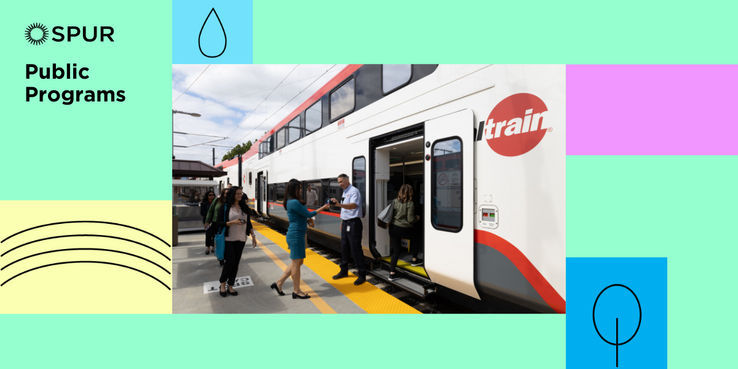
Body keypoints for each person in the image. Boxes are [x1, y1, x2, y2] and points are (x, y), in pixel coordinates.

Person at [272, 179, 331, 299]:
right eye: (299, 188)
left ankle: (279, 283)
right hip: (296, 235)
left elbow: (303, 215)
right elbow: (309, 214)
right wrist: (323, 207)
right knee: (296, 263)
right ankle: (296, 291)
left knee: (298, 262)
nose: (301, 190)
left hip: (298, 234)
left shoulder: (291, 201)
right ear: (294, 189)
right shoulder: (294, 202)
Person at [213, 186, 257, 297]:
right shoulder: (225, 207)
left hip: (241, 239)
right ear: (232, 194)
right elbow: (218, 223)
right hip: (228, 239)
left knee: (236, 263)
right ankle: (222, 283)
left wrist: (253, 236)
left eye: (241, 193)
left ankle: (231, 285)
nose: (240, 195)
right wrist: (231, 222)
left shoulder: (244, 206)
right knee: (230, 261)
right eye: (237, 193)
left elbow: (249, 223)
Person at [330, 174, 367, 285]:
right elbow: (345, 210)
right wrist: (342, 222)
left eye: (341, 181)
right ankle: (344, 270)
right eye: (339, 182)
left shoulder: (354, 191)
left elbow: (353, 206)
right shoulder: (345, 191)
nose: (340, 184)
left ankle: (362, 274)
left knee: (355, 248)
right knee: (344, 248)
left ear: (347, 180)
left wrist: (339, 205)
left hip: (354, 223)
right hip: (346, 223)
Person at [388, 184, 421, 281]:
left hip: (393, 228)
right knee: (416, 238)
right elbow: (410, 219)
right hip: (403, 229)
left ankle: (392, 273)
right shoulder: (410, 203)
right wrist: (417, 218)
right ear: (410, 192)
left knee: (396, 251)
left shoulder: (394, 201)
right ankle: (414, 260)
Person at [205, 188, 228, 262]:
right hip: (216, 224)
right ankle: (220, 256)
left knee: (226, 241)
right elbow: (210, 211)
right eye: (226, 193)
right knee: (218, 241)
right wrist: (207, 221)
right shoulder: (217, 200)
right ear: (222, 194)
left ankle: (225, 256)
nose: (227, 195)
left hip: (227, 224)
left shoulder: (231, 202)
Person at [200, 190, 216, 255]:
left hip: (214, 221)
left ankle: (213, 247)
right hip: (207, 222)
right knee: (208, 234)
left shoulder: (215, 203)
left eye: (213, 195)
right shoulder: (204, 204)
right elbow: (202, 213)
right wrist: (209, 212)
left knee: (214, 234)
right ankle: (208, 248)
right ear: (207, 196)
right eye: (210, 195)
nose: (212, 196)